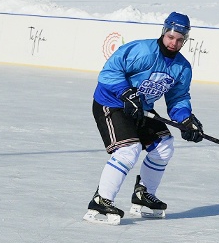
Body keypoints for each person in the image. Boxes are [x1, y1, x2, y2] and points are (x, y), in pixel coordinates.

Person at [83, 11, 204, 224]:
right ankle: (101, 200)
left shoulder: (182, 67)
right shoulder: (142, 51)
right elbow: (109, 72)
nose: (173, 43)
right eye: (170, 37)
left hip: (142, 108)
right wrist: (125, 92)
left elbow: (178, 98)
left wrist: (186, 119)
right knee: (129, 150)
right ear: (164, 32)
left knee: (164, 146)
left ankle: (143, 195)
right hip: (111, 103)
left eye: (179, 40)